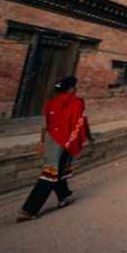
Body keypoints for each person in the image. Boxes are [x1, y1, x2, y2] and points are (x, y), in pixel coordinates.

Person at [17, 76, 94, 221]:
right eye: (74, 87)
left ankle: (65, 196)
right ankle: (29, 210)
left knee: (58, 169)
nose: (75, 89)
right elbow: (81, 122)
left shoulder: (50, 103)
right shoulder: (76, 102)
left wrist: (42, 142)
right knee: (49, 175)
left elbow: (44, 126)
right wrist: (88, 138)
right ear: (70, 89)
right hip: (65, 142)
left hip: (50, 141)